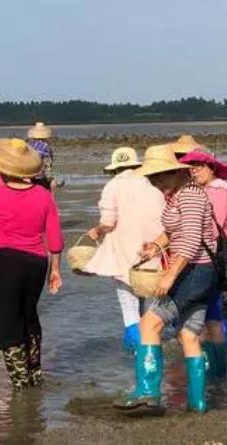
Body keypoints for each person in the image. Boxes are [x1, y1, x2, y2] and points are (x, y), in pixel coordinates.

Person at [113, 144, 216, 414]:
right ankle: (197, 402)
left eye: (159, 176)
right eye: (151, 178)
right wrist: (156, 247)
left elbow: (193, 239)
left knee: (149, 324)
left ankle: (148, 392)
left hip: (193, 272)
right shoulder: (180, 194)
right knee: (188, 335)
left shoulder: (190, 196)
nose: (156, 183)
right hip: (199, 272)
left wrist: (170, 275)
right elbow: (176, 231)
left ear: (175, 171)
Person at [0, 138, 64, 390]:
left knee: (8, 322)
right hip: (37, 263)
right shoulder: (43, 194)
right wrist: (55, 270)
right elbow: (55, 238)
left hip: (7, 260)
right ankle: (35, 373)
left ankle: (20, 382)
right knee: (29, 316)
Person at [83, 147, 165, 352]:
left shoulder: (113, 185)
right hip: (154, 250)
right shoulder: (153, 182)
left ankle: (137, 354)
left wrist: (97, 231)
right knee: (149, 305)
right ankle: (152, 347)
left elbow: (109, 222)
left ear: (115, 169)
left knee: (129, 306)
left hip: (123, 252)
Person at [180, 149, 227, 379]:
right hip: (209, 259)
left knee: (207, 319)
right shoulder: (211, 190)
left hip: (208, 261)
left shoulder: (217, 192)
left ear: (211, 168)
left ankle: (210, 370)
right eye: (191, 166)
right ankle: (216, 370)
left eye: (199, 165)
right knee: (210, 317)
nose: (194, 170)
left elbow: (211, 230)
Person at [27, 122, 56, 192]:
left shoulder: (28, 145)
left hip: (28, 175)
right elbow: (47, 164)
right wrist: (50, 179)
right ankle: (52, 199)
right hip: (40, 177)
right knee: (51, 187)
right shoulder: (45, 146)